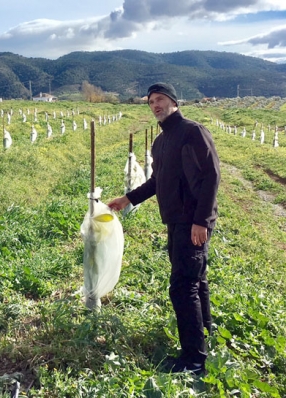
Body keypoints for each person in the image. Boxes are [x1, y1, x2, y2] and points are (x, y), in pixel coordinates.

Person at [108, 82, 220, 376]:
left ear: (174, 102)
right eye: (151, 102)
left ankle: (194, 360)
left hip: (191, 221)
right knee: (196, 279)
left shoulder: (193, 132)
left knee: (183, 287)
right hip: (175, 221)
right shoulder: (161, 142)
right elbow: (157, 182)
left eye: (160, 100)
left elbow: (211, 177)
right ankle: (206, 332)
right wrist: (128, 198)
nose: (155, 105)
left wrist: (201, 221)